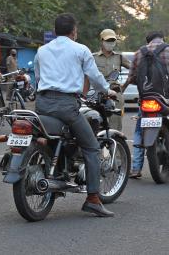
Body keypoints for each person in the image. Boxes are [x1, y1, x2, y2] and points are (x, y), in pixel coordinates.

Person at [34, 13, 117, 217]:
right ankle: (93, 199)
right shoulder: (80, 49)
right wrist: (108, 90)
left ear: (55, 32)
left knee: (52, 136)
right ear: (74, 31)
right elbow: (94, 76)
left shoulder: (42, 50)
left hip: (42, 103)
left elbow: (38, 76)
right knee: (91, 147)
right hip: (66, 106)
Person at [123, 31, 169, 178]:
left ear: (148, 41)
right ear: (162, 39)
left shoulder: (139, 53)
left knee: (139, 130)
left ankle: (136, 168)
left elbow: (131, 78)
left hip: (147, 101)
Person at [93, 29, 130, 131]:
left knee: (115, 124)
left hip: (115, 93)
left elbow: (134, 69)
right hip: (98, 94)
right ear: (102, 41)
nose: (110, 43)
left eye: (112, 41)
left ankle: (116, 144)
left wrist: (125, 85)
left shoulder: (119, 57)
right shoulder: (93, 57)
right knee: (96, 121)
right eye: (108, 40)